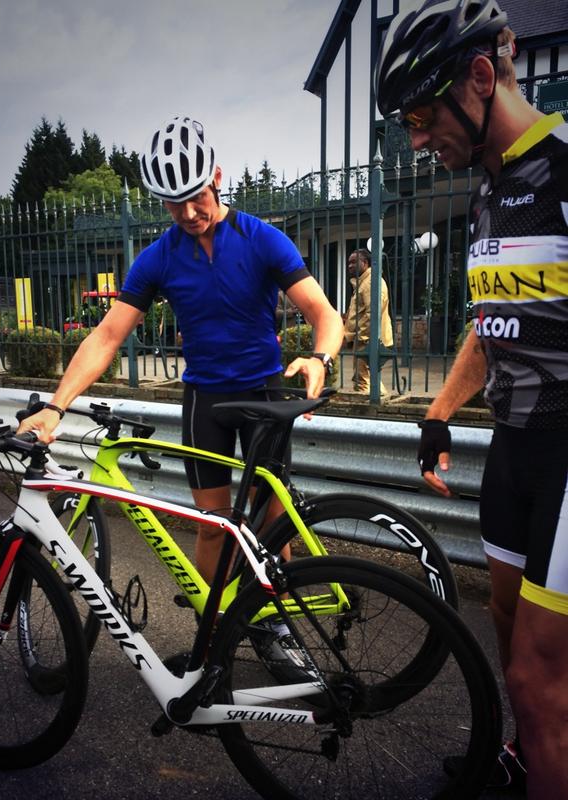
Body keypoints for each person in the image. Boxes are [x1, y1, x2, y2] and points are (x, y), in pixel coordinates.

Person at [18, 115, 343, 628]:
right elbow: (106, 336)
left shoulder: (261, 239)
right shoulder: (158, 259)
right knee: (213, 526)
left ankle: (277, 624)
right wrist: (56, 407)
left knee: (269, 520)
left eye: (198, 197)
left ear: (216, 176)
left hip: (264, 392)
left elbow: (325, 315)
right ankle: (216, 631)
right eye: (175, 204)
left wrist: (320, 357)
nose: (190, 213)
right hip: (206, 402)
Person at [376, 2, 568, 797]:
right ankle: (535, 754)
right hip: (512, 444)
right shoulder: (488, 191)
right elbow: (492, 324)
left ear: (482, 77)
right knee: (504, 619)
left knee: (534, 678)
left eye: (422, 113)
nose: (418, 139)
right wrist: (438, 413)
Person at [343, 248, 393, 396]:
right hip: (365, 339)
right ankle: (381, 402)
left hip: (368, 340)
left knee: (362, 379)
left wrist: (363, 338)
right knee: (368, 377)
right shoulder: (364, 282)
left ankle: (372, 409)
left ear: (365, 262)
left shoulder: (370, 282)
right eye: (348, 263)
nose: (350, 266)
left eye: (353, 262)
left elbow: (373, 314)